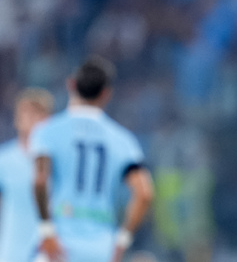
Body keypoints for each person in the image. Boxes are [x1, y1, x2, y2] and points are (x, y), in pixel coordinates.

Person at [30, 56, 154, 262]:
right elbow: (144, 193)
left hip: (60, 242)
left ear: (71, 84)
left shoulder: (47, 132)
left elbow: (40, 179)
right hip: (101, 247)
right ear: (106, 94)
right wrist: (122, 239)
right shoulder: (123, 140)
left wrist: (46, 231)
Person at [0, 88, 54, 262]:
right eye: (26, 112)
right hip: (12, 254)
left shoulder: (59, 161)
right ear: (16, 118)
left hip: (50, 253)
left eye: (38, 112)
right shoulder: (4, 160)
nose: (31, 118)